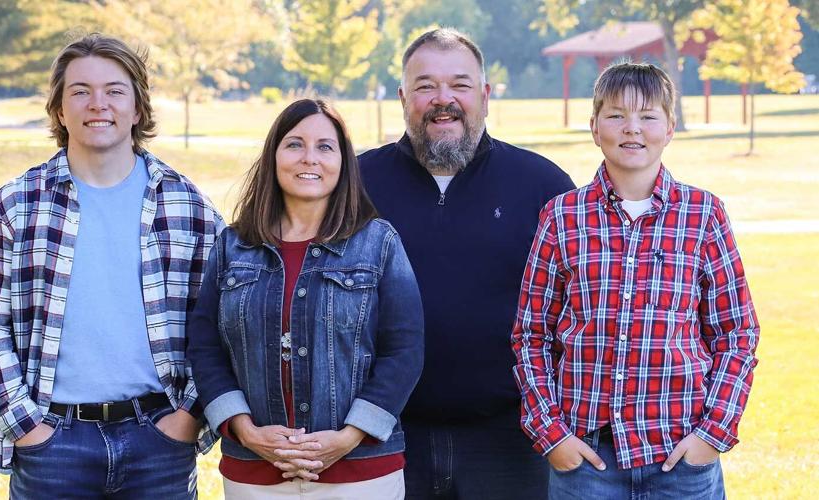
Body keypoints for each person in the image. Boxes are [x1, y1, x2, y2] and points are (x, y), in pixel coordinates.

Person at [0, 34, 223, 498]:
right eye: (80, 91)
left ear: (138, 108)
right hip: (52, 443)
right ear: (59, 110)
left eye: (115, 91)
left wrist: (189, 417)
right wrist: (26, 428)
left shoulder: (189, 206)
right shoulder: (14, 206)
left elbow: (222, 324)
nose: (97, 104)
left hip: (160, 440)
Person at [511, 62, 760, 500]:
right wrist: (551, 434)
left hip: (681, 458)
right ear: (594, 127)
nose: (632, 129)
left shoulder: (703, 216)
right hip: (586, 461)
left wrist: (712, 434)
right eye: (616, 115)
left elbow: (737, 333)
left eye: (648, 116)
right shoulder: (562, 217)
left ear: (669, 128)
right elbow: (532, 335)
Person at [358, 28, 576, 499]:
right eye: (425, 86)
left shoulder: (543, 187)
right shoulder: (355, 185)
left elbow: (579, 312)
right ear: (402, 96)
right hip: (382, 434)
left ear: (485, 94)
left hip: (511, 440)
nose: (444, 100)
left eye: (459, 84)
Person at [186, 98, 424, 499]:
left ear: (343, 163)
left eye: (324, 147)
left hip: (361, 473)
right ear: (274, 156)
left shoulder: (378, 243)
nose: (308, 158)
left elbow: (405, 349)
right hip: (255, 473)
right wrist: (245, 429)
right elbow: (205, 346)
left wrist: (348, 437)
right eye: (294, 144)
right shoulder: (233, 246)